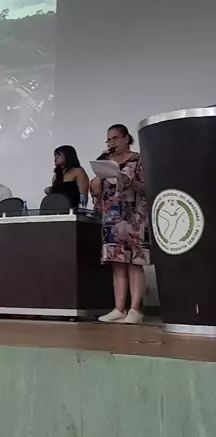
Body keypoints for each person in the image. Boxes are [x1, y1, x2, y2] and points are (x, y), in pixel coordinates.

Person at [91, 124, 148, 325]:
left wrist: (129, 181)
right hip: (112, 218)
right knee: (117, 263)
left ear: (126, 138)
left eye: (115, 138)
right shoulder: (106, 161)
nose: (111, 142)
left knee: (135, 262)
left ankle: (135, 309)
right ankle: (119, 308)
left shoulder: (138, 159)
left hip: (134, 217)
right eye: (108, 139)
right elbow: (96, 192)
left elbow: (146, 188)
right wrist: (98, 177)